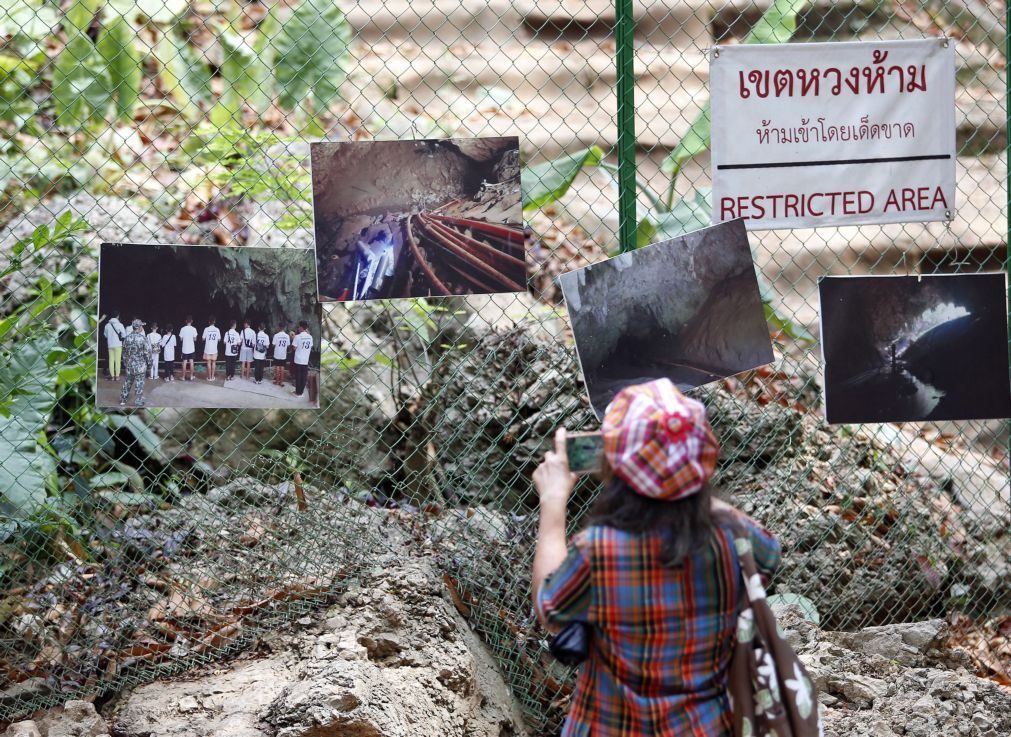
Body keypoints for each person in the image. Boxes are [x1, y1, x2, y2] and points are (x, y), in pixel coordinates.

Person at [531, 379, 781, 737]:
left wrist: (553, 503)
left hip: (611, 725)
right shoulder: (734, 535)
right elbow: (770, 554)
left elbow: (550, 610)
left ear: (616, 464)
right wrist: (683, 483)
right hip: (706, 726)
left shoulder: (601, 549)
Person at [119, 319, 153, 407]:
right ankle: (138, 401)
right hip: (140, 366)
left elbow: (124, 353)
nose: (142, 327)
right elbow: (147, 353)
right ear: (139, 327)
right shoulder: (143, 339)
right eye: (142, 325)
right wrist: (149, 364)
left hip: (130, 365)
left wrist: (126, 364)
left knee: (128, 381)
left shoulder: (127, 338)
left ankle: (123, 399)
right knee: (139, 383)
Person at [354, 229, 396, 300]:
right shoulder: (383, 253)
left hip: (373, 278)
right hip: (371, 277)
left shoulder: (388, 255)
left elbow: (390, 272)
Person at [291, 320, 313, 398]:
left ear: (300, 327)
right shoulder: (310, 337)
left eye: (299, 326)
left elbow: (294, 348)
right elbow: (310, 347)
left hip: (298, 359)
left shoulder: (297, 336)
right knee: (303, 376)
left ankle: (297, 393)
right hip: (305, 359)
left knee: (298, 376)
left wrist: (293, 338)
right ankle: (301, 392)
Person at [103, 310, 126, 382]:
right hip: (118, 345)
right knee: (118, 361)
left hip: (110, 345)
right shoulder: (120, 325)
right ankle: (117, 376)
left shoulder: (107, 325)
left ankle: (112, 376)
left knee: (111, 360)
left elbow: (105, 335)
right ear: (118, 316)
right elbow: (124, 335)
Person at [179, 316, 198, 382]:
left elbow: (181, 339)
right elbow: (195, 339)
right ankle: (191, 376)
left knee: (184, 362)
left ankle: (183, 377)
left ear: (186, 321)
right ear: (192, 321)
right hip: (191, 348)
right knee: (191, 362)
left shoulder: (182, 329)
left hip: (185, 348)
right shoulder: (194, 329)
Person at [202, 316, 221, 382]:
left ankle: (209, 377)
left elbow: (203, 338)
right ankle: (213, 377)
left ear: (209, 322)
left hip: (207, 349)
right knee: (214, 362)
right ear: (214, 322)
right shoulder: (217, 329)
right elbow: (219, 339)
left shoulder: (206, 329)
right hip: (214, 349)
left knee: (208, 363)